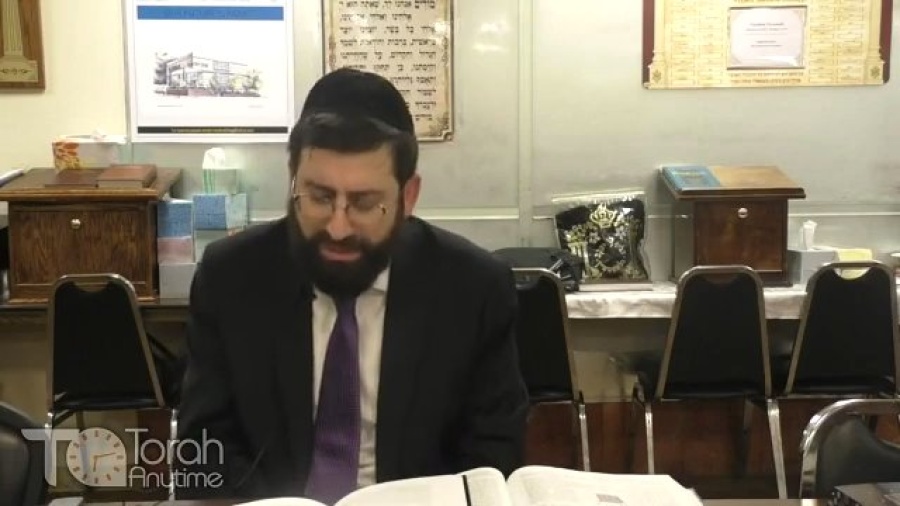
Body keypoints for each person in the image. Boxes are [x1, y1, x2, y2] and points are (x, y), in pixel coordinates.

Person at [175, 68, 529, 502]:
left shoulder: (472, 289)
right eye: (319, 197)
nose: (338, 228)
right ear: (293, 181)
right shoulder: (232, 277)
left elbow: (491, 462)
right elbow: (203, 450)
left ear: (408, 196)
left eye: (364, 203)